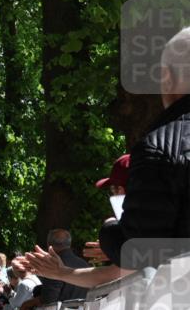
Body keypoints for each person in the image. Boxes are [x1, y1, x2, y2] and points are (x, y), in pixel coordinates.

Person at [25, 27, 189, 286]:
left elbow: (137, 252)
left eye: (120, 188)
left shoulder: (159, 146)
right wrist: (62, 273)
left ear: (166, 77)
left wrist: (112, 231)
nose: (116, 195)